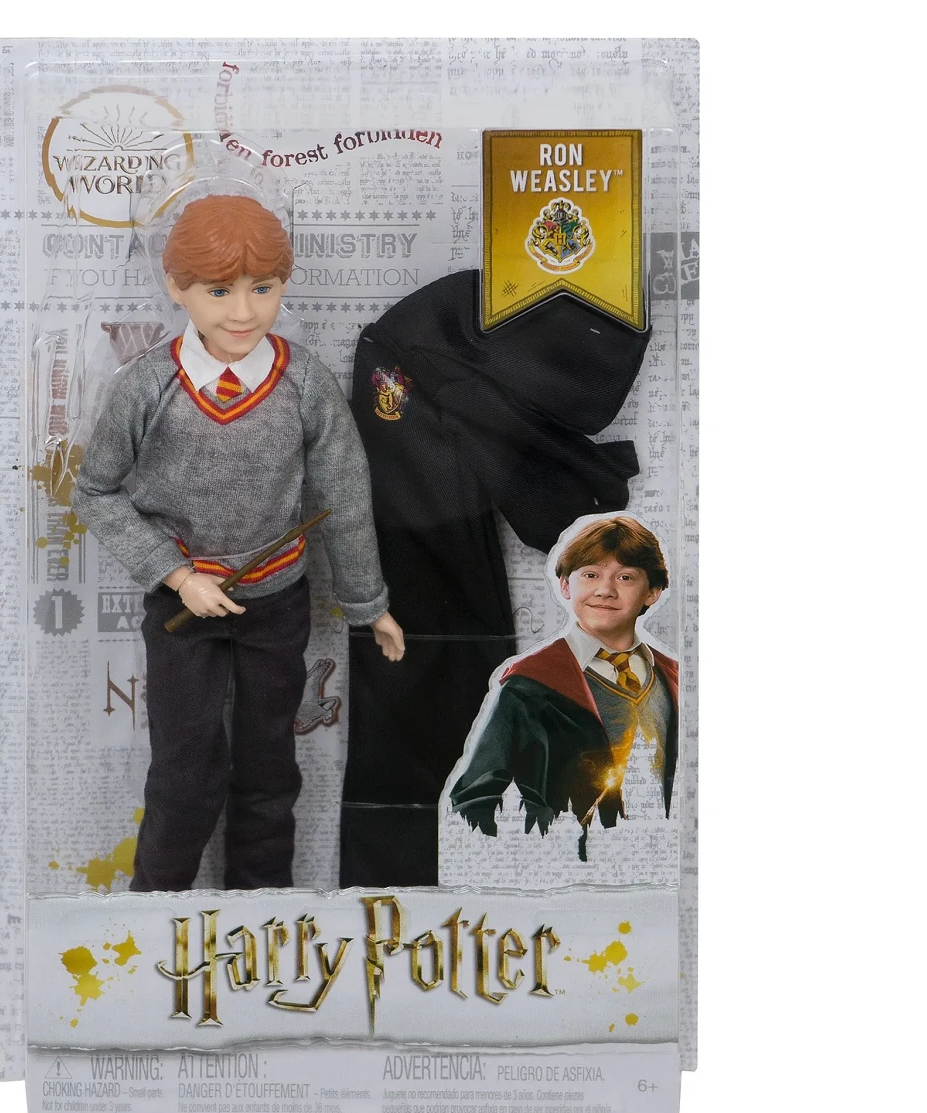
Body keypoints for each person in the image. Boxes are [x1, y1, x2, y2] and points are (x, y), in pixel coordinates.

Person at [72, 193, 404, 891]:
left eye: (264, 288)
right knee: (183, 773)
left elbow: (344, 497)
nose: (243, 312)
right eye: (219, 291)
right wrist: (176, 574)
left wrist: (368, 604)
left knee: (269, 769)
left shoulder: (304, 383)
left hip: (276, 604)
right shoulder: (149, 386)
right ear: (177, 287)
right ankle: (155, 910)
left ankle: (262, 912)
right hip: (183, 610)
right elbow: (95, 492)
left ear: (285, 284)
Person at [446, 515, 676, 861]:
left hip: (657, 863)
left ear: (653, 592)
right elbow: (475, 799)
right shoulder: (529, 686)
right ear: (566, 586)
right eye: (590, 575)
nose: (605, 589)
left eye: (625, 577)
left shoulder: (675, 680)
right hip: (570, 867)